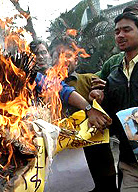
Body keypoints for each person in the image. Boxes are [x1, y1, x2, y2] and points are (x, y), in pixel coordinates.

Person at [89, 11, 138, 192]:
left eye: (126, 30)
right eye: (117, 32)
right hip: (129, 165)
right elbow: (110, 120)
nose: (120, 35)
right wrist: (97, 103)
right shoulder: (113, 76)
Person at [49, 36, 117, 191]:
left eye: (67, 56)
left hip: (99, 167)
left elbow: (111, 117)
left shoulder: (91, 81)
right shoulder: (40, 87)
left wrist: (101, 99)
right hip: (60, 171)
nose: (62, 60)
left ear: (76, 60)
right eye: (57, 55)